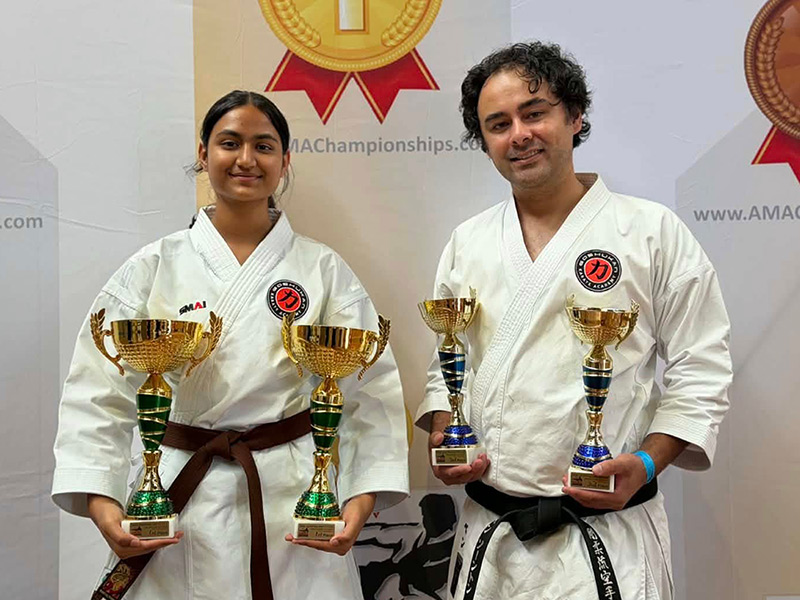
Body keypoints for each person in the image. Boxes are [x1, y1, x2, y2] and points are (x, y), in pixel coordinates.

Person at [51, 90, 409, 600]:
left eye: (264, 146)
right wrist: (101, 502)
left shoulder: (322, 270)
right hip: (175, 494)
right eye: (229, 143)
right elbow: (98, 389)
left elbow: (368, 390)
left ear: (285, 162)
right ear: (203, 154)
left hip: (292, 497)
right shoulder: (154, 267)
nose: (246, 159)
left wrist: (361, 497)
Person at [416, 42, 732, 600]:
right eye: (498, 123)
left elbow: (701, 371)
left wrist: (643, 464)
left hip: (605, 534)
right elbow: (448, 368)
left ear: (575, 116)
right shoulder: (468, 242)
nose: (519, 134)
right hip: (491, 532)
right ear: (484, 141)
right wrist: (447, 435)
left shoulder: (651, 232)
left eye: (534, 113)